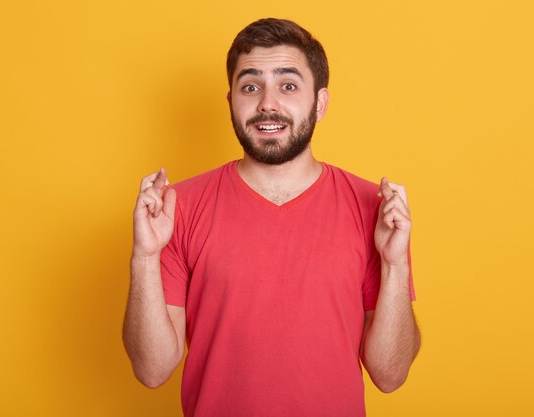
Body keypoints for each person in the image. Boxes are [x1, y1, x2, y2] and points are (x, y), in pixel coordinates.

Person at [123, 18, 420, 417]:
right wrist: (144, 256)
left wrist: (396, 262)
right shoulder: (178, 207)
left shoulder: (374, 209)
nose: (267, 102)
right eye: (250, 86)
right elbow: (152, 369)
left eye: (288, 85)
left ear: (320, 103)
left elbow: (390, 374)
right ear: (231, 101)